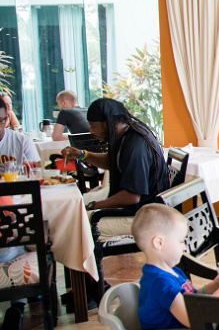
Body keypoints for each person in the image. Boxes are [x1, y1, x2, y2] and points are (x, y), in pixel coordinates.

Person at [61, 98, 168, 236]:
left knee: (75, 223)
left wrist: (94, 206)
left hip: (143, 214)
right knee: (74, 203)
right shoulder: (126, 132)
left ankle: (78, 257)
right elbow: (111, 162)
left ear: (108, 123)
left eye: (93, 126)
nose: (91, 130)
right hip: (136, 205)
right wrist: (83, 154)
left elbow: (131, 196)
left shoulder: (135, 144)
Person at [133, 204, 219, 330]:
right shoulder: (161, 283)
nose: (184, 247)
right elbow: (194, 318)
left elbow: (190, 298)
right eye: (180, 241)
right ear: (159, 243)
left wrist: (214, 286)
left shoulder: (172, 271)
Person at [0, 102, 42, 330]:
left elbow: (34, 174)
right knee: (16, 236)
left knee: (14, 233)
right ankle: (18, 303)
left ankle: (17, 305)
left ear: (8, 119)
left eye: (2, 121)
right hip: (15, 222)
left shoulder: (20, 141)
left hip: (18, 213)